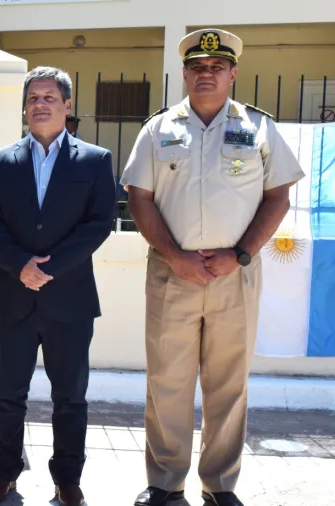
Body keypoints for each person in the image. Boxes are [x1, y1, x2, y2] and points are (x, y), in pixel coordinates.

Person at [121, 29, 304, 506]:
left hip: (235, 274)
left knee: (228, 383)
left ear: (233, 73)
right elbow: (139, 198)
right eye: (197, 67)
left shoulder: (259, 128)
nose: (206, 74)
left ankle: (220, 484)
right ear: (184, 74)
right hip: (171, 273)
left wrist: (239, 254)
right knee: (167, 381)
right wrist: (175, 256)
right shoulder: (158, 129)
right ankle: (165, 481)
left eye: (216, 67)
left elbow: (278, 197)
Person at [0, 66, 117, 505]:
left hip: (70, 300)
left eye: (49, 98)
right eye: (33, 98)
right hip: (13, 296)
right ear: (24, 107)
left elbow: (99, 224)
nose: (40, 104)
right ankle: (4, 472)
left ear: (67, 105)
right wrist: (20, 265)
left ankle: (68, 478)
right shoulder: (1, 161)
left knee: (70, 397)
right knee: (7, 393)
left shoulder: (95, 160)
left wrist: (48, 268)